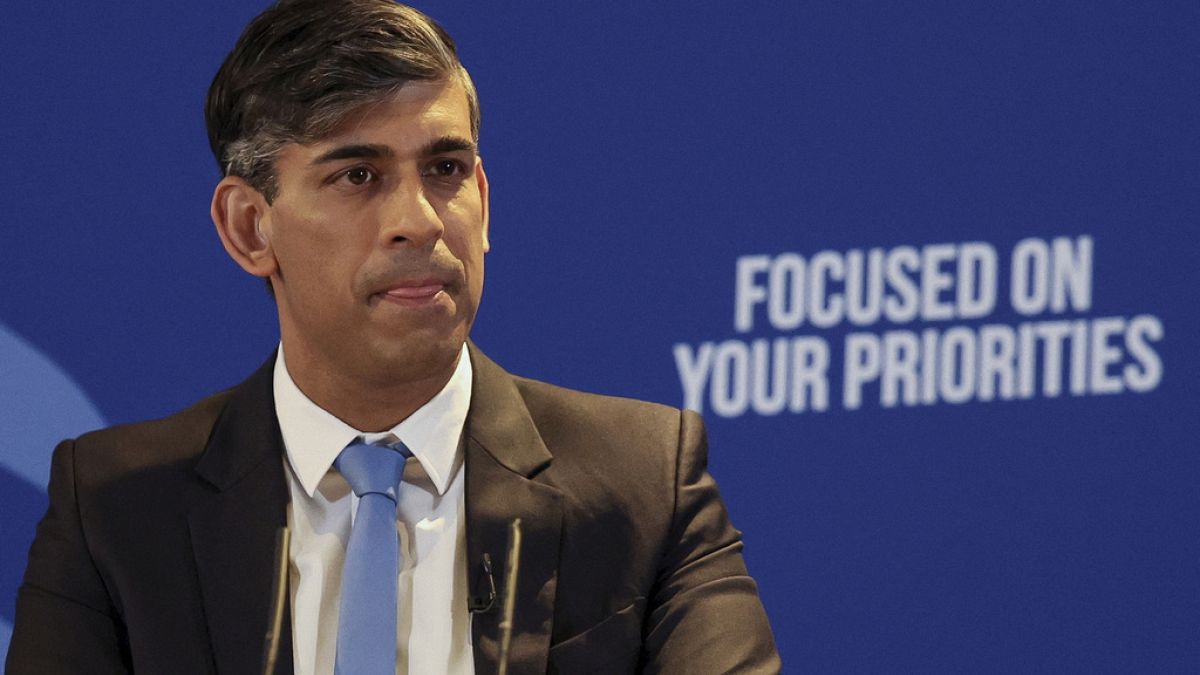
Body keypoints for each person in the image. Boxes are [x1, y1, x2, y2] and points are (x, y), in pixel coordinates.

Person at [6, 1, 780, 672]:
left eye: (446, 168)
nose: (419, 219)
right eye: (358, 176)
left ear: (482, 195)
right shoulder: (114, 512)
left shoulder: (647, 483)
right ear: (250, 226)